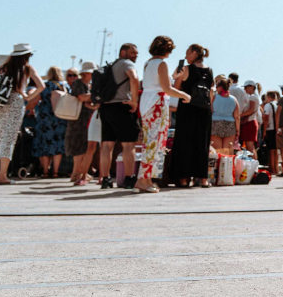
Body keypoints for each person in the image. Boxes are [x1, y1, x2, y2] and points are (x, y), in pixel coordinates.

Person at [0, 44, 45, 185]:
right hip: (15, 102)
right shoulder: (27, 68)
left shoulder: (4, 68)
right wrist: (27, 96)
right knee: (8, 139)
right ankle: (2, 176)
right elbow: (41, 86)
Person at [134, 36, 191, 194]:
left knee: (150, 141)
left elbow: (157, 83)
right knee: (154, 143)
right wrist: (184, 95)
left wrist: (173, 77)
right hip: (157, 103)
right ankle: (143, 180)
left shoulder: (148, 63)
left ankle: (145, 179)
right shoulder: (162, 63)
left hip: (148, 103)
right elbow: (167, 89)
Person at [169, 44, 214, 187]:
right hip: (204, 110)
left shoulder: (186, 69)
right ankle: (203, 178)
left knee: (185, 142)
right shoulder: (209, 70)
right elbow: (211, 92)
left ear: (194, 53)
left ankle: (183, 178)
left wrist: (176, 76)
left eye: (187, 52)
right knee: (202, 143)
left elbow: (175, 89)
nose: (185, 56)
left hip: (187, 108)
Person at [99, 44, 141, 190]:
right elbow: (134, 78)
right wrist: (134, 100)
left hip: (105, 107)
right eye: (133, 52)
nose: (136, 55)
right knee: (128, 144)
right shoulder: (127, 63)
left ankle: (105, 179)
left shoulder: (110, 66)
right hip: (122, 106)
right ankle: (129, 178)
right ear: (123, 52)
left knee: (107, 145)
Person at [33, 66, 68, 178]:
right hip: (60, 117)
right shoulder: (64, 86)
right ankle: (55, 172)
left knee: (44, 143)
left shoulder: (44, 86)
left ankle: (45, 171)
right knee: (57, 144)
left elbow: (36, 100)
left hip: (45, 117)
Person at [65, 62, 97, 185]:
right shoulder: (78, 83)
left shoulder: (88, 85)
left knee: (85, 146)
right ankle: (76, 172)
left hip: (86, 118)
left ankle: (80, 171)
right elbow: (81, 98)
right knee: (78, 146)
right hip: (78, 119)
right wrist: (96, 95)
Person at [211, 77, 240, 154]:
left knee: (217, 151)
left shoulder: (213, 97)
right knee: (227, 152)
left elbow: (210, 111)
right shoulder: (234, 99)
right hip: (230, 126)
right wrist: (237, 130)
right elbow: (237, 117)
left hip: (215, 124)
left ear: (220, 87)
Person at [239, 80, 260, 154]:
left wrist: (240, 115)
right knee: (251, 147)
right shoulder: (255, 96)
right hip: (251, 122)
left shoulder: (252, 97)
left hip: (250, 123)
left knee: (249, 147)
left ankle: (253, 161)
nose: (245, 89)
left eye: (246, 87)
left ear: (252, 87)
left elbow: (251, 110)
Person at [262, 90, 280, 173]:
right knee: (276, 150)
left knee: (271, 150)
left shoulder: (268, 105)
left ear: (268, 97)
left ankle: (272, 169)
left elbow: (266, 118)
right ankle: (276, 168)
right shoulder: (278, 105)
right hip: (278, 130)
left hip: (270, 129)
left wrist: (264, 131)